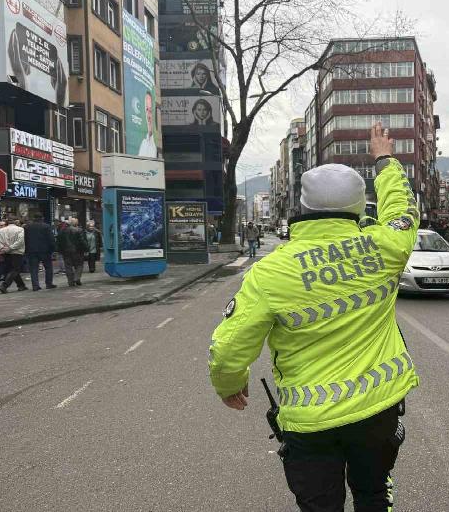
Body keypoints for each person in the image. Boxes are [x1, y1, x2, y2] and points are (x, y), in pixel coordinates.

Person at [209, 122, 419, 512]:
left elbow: (230, 345)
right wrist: (385, 160)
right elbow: (403, 210)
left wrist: (229, 384)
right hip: (378, 409)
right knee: (373, 494)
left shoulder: (270, 273)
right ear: (358, 208)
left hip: (310, 422)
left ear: (302, 208)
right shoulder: (386, 247)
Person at [24, 215, 57, 291]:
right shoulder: (46, 226)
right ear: (42, 218)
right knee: (48, 267)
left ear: (34, 219)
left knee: (34, 269)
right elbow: (51, 239)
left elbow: (25, 239)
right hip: (45, 251)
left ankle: (35, 285)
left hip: (32, 251)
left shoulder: (27, 227)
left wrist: (26, 249)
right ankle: (49, 283)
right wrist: (53, 249)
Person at [0, 219, 28, 293]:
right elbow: (20, 241)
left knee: (12, 269)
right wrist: (11, 247)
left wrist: (3, 248)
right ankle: (4, 285)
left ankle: (21, 285)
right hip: (17, 252)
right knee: (15, 269)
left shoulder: (0, 231)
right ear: (16, 223)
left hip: (5, 252)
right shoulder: (20, 229)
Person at [57, 218, 89, 287]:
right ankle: (77, 278)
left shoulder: (62, 231)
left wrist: (59, 250)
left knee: (68, 266)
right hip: (78, 251)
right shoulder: (79, 230)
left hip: (66, 252)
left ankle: (70, 281)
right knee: (79, 265)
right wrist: (86, 249)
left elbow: (59, 241)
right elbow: (82, 241)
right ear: (76, 223)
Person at [137, 92, 158, 158]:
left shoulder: (155, 144)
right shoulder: (143, 144)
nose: (149, 116)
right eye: (147, 110)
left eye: (151, 111)